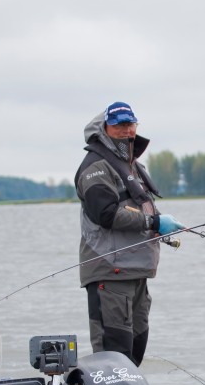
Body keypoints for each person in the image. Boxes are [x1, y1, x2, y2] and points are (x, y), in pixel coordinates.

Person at [74, 101, 183, 366]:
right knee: (113, 357)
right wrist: (153, 222)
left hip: (137, 273)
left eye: (131, 124)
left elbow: (137, 208)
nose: (127, 131)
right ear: (105, 128)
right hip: (110, 272)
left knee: (135, 352)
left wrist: (159, 227)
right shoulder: (95, 167)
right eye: (120, 125)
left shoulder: (131, 165)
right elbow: (107, 214)